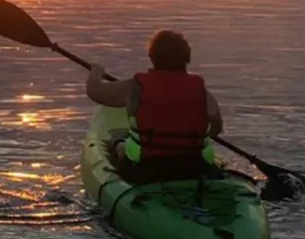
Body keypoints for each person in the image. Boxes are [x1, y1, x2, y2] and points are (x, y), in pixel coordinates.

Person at [84, 30, 224, 183]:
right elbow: (216, 126)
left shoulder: (136, 87)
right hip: (194, 168)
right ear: (187, 57)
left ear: (152, 57)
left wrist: (96, 72)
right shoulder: (201, 90)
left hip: (147, 169)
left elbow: (95, 91)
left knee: (118, 143)